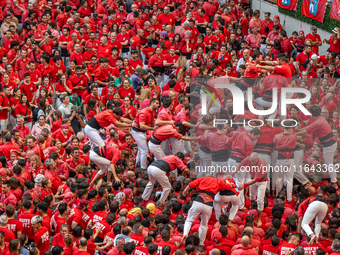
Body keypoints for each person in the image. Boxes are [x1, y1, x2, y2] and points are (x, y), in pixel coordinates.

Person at [181, 175, 234, 245]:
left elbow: (190, 185)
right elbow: (230, 187)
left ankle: (185, 234)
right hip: (209, 204)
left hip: (199, 201)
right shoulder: (218, 181)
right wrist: (227, 180)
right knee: (204, 225)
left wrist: (185, 191)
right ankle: (201, 244)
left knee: (189, 220)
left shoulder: (201, 178)